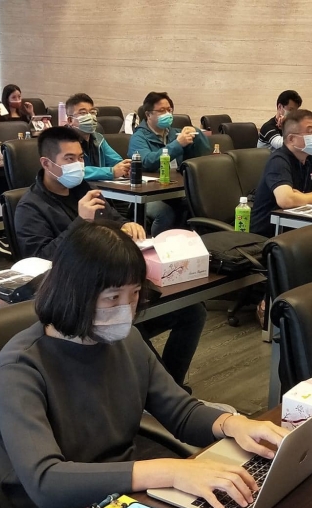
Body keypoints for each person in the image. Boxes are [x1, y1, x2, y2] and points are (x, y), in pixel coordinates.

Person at [0, 220, 289, 508]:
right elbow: (45, 482)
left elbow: (181, 412)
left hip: (121, 495)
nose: (126, 310)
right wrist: (169, 471)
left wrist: (233, 424)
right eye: (112, 298)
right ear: (73, 294)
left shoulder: (125, 340)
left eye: (133, 294)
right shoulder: (20, 367)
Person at [14, 126, 207, 390]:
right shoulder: (30, 207)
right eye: (69, 159)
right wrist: (81, 222)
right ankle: (160, 392)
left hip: (114, 282)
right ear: (47, 163)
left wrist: (126, 226)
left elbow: (113, 219)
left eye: (80, 158)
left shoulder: (83, 189)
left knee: (192, 311)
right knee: (130, 325)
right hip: (81, 301)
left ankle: (171, 387)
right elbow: (40, 262)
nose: (78, 165)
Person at [128, 91, 211, 235]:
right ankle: (157, 245)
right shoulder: (139, 137)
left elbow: (202, 155)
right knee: (165, 213)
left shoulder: (175, 133)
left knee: (198, 205)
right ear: (148, 114)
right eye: (161, 110)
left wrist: (196, 134)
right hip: (148, 194)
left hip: (173, 189)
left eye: (169, 110)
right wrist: (177, 145)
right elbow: (146, 162)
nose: (167, 114)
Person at [250, 109, 312, 237]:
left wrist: (301, 197)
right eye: (310, 132)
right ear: (291, 139)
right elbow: (286, 200)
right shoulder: (278, 160)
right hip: (269, 234)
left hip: (298, 227)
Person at [64, 93, 131, 181]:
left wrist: (126, 169)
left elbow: (115, 161)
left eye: (92, 112)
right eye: (83, 113)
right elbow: (73, 170)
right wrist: (111, 172)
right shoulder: (63, 140)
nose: (90, 117)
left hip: (99, 187)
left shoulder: (98, 138)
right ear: (70, 120)